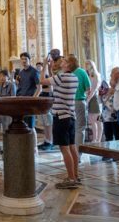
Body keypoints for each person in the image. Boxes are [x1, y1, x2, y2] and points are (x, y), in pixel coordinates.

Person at [40, 55, 79, 189]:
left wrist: (44, 65)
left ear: (68, 65)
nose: (62, 61)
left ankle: (71, 179)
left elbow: (42, 81)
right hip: (71, 116)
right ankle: (75, 175)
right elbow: (55, 83)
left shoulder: (62, 77)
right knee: (72, 147)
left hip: (61, 116)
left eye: (65, 61)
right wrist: (51, 69)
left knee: (64, 148)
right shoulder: (74, 78)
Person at [16, 52, 40, 153]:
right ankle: (25, 146)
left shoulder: (34, 72)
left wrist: (33, 100)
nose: (24, 61)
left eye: (25, 59)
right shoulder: (20, 73)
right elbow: (20, 87)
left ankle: (34, 147)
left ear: (30, 60)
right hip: (21, 102)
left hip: (30, 102)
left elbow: (39, 88)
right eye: (22, 59)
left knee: (31, 126)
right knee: (23, 125)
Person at [71, 56, 91, 147]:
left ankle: (72, 153)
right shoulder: (82, 72)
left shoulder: (67, 73)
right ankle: (78, 154)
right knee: (80, 128)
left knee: (72, 128)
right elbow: (88, 88)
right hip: (79, 101)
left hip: (68, 102)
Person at [36, 61, 54, 150]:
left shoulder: (47, 76)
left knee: (49, 122)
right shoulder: (39, 76)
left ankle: (50, 141)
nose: (39, 68)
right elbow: (39, 88)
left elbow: (51, 89)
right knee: (44, 122)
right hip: (42, 99)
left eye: (40, 66)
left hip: (48, 99)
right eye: (37, 67)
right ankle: (46, 140)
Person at [85, 60, 103, 143]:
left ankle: (98, 139)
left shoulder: (96, 75)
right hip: (89, 97)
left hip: (94, 98)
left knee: (98, 120)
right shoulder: (88, 75)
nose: (86, 66)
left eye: (87, 65)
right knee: (92, 120)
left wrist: (88, 100)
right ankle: (94, 138)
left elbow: (94, 89)